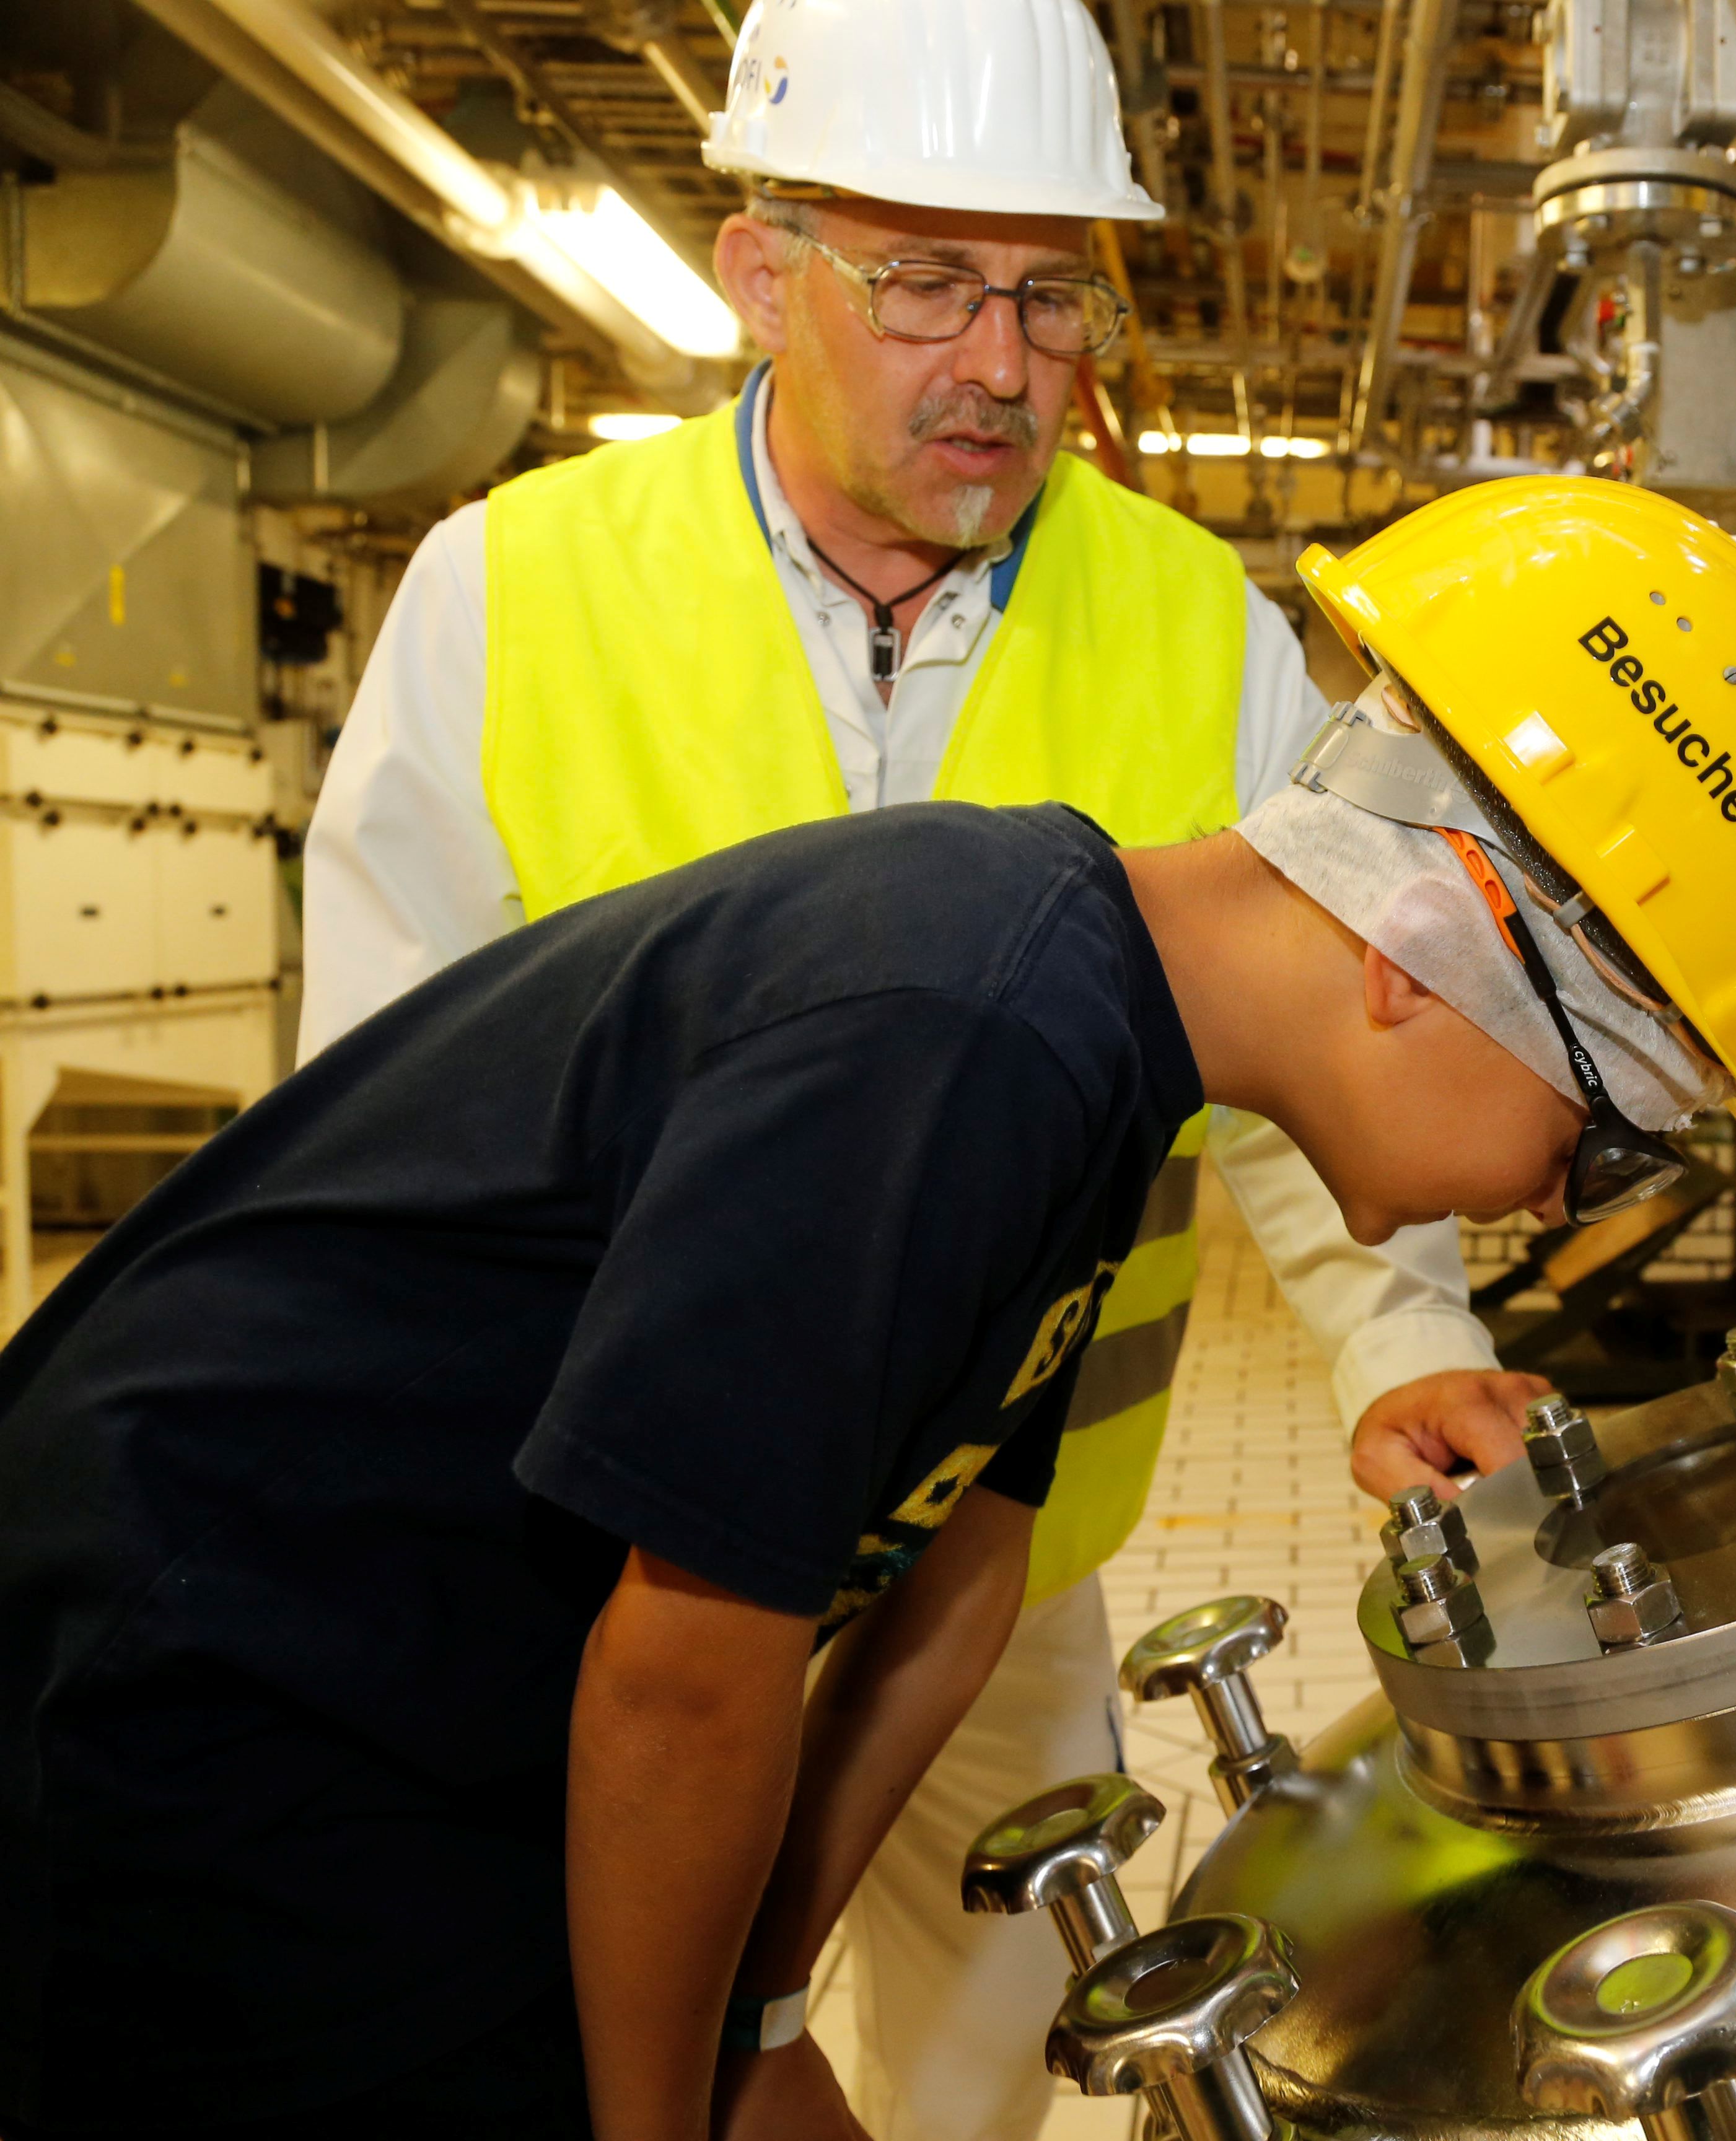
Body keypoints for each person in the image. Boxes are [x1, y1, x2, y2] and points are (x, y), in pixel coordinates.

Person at [0, 477, 1736, 2141]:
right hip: (201, 1705)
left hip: (428, 1694)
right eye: (1617, 1129)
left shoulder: (1096, 1047)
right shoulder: (962, 1032)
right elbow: (686, 1668)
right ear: (1440, 940)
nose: (1569, 1199)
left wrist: (754, 2024)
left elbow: (956, 1572)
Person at [292, 2, 1543, 2127]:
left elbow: (1312, 1021)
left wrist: (1392, 1340)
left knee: (973, 2076)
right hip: (603, 1562)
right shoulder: (513, 590)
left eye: (1055, 295)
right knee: (583, 2047)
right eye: (927, 283)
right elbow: (385, 1107)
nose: (999, 362)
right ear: (758, 275)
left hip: (998, 1573)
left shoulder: (1193, 623)